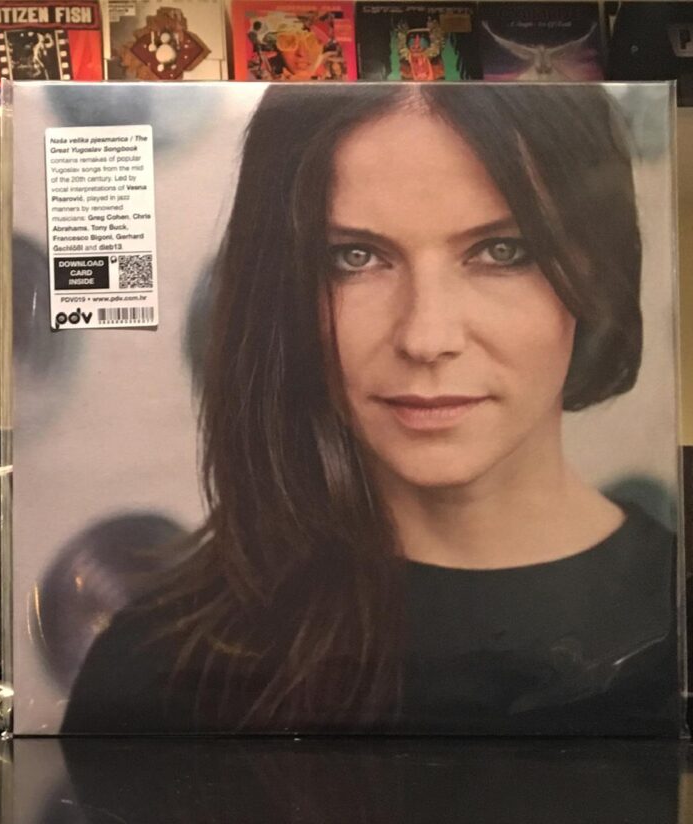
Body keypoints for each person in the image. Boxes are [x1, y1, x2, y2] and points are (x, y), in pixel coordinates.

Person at [62, 84, 677, 735]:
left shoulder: (677, 619)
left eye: (503, 251)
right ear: (285, 293)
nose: (426, 338)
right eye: (354, 258)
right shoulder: (159, 664)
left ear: (598, 272)